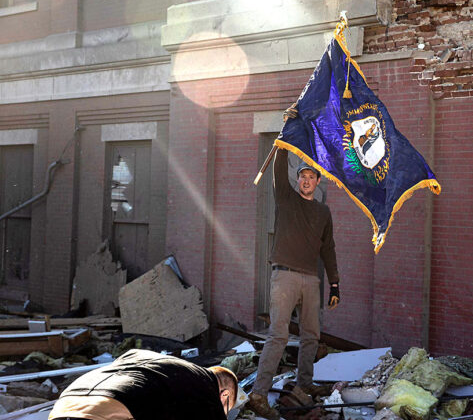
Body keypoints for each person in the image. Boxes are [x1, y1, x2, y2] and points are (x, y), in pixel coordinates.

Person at [247, 113, 341, 420]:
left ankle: (304, 385)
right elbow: (278, 164)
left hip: (311, 280)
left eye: (311, 177)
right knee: (278, 335)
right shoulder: (286, 198)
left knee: (311, 335)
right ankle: (259, 394)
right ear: (297, 179)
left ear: (317, 182)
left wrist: (335, 283)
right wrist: (286, 129)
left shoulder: (323, 213)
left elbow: (328, 249)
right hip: (284, 277)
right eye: (302, 176)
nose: (306, 180)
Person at [48, 349, 237, 420]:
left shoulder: (174, 373)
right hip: (108, 409)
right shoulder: (206, 387)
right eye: (225, 409)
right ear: (224, 395)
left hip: (63, 405)